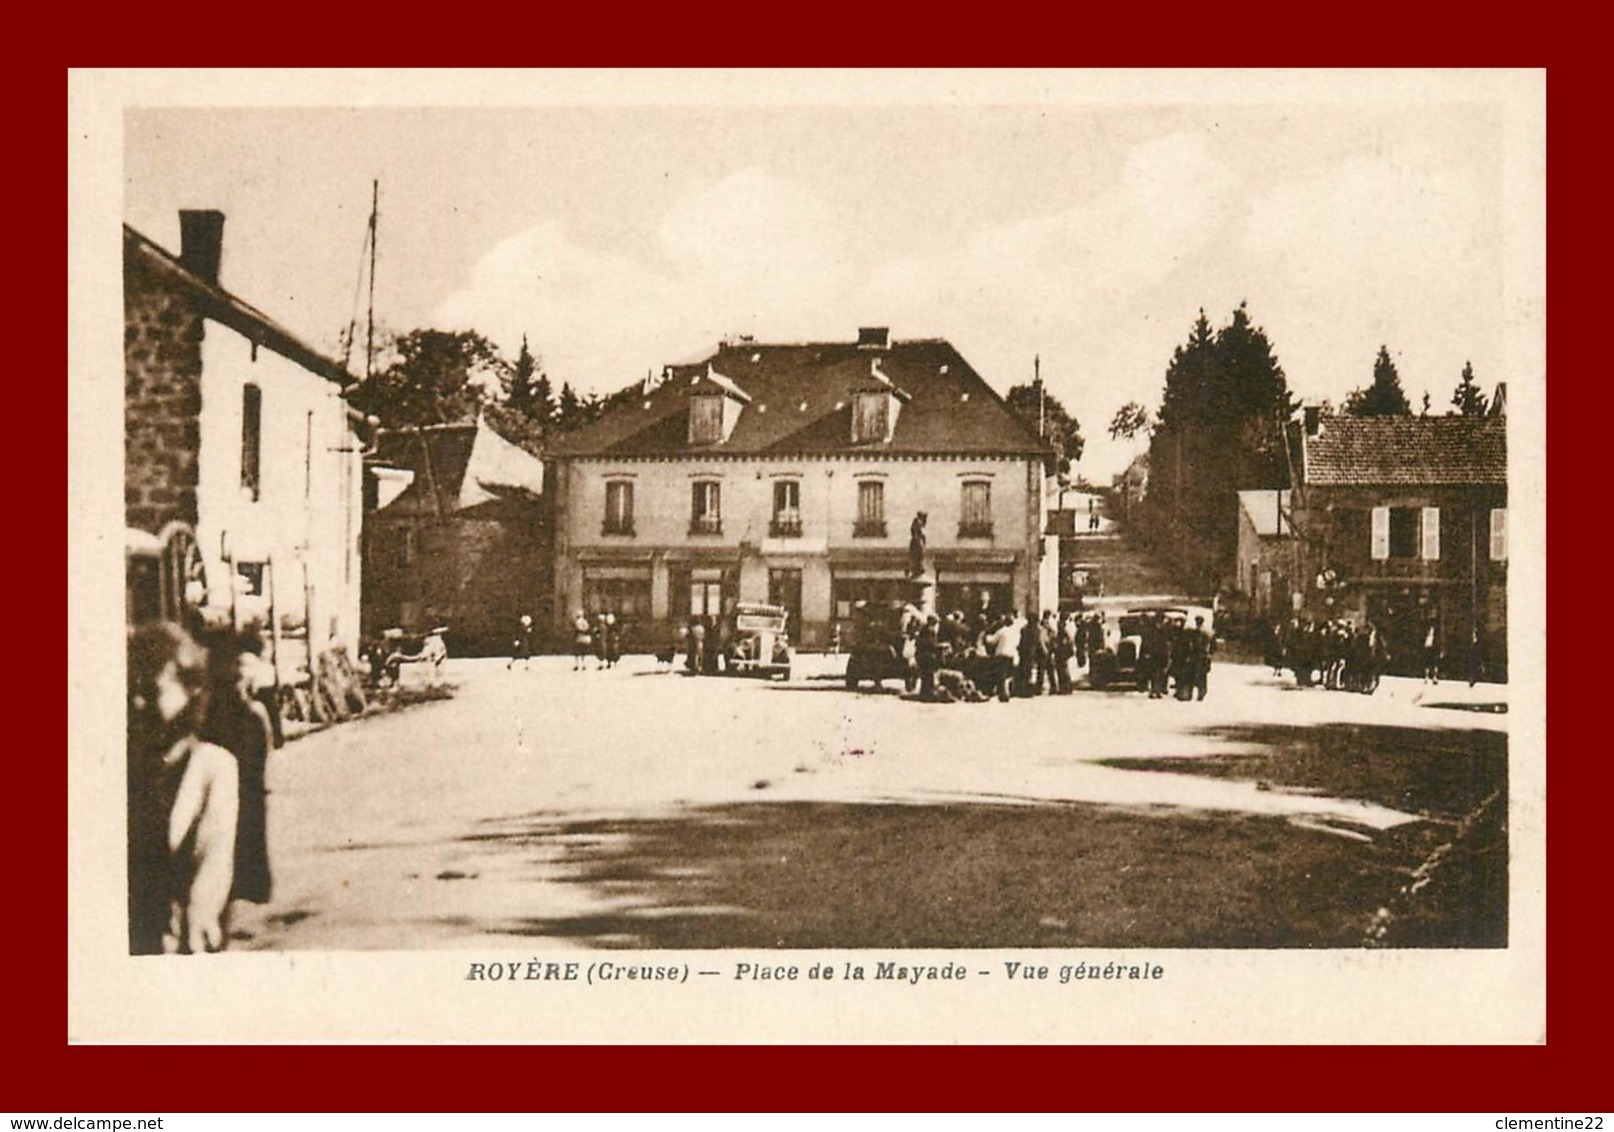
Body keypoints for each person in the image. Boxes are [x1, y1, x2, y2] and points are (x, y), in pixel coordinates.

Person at [127, 622, 238, 955]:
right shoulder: (127, 763)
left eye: (152, 689)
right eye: (133, 688)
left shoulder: (210, 766)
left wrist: (200, 915)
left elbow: (215, 856)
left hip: (182, 942)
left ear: (190, 688)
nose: (138, 701)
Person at [200, 627, 274, 912]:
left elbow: (265, 748)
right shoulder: (227, 709)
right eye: (240, 666)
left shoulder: (253, 710)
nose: (244, 673)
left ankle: (243, 886)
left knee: (246, 829)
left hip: (248, 785)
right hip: (236, 783)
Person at [908, 512, 928, 578]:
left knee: (916, 557)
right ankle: (917, 570)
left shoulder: (915, 523)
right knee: (918, 557)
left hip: (915, 543)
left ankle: (917, 570)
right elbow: (919, 534)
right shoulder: (918, 524)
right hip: (916, 544)